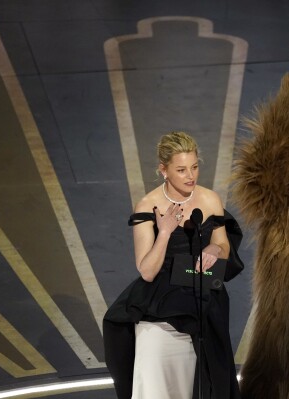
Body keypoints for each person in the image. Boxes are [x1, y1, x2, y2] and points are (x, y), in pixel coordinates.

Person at [103, 131, 244, 399]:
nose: (190, 176)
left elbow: (224, 246)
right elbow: (147, 270)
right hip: (161, 299)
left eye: (194, 167)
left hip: (202, 293)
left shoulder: (210, 199)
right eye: (181, 170)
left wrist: (215, 248)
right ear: (163, 170)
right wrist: (165, 232)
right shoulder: (148, 205)